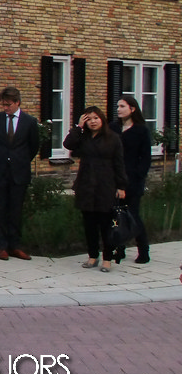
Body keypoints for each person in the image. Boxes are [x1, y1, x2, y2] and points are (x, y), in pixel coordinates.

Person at [63, 106, 127, 272]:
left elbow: (119, 163)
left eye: (95, 118)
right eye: (89, 119)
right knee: (89, 225)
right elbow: (68, 144)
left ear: (102, 119)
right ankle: (92, 256)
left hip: (106, 185)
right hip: (86, 185)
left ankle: (107, 258)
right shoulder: (83, 137)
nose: (93, 122)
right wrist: (78, 127)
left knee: (106, 225)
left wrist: (121, 186)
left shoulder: (113, 138)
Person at [0, 86, 38, 261]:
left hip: (19, 172)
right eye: (3, 105)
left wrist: (19, 160)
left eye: (8, 105)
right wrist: (2, 159)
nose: (5, 108)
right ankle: (1, 246)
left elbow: (33, 147)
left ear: (17, 103)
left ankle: (15, 245)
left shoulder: (29, 122)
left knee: (16, 210)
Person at [111, 96, 152, 263]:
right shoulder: (113, 128)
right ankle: (119, 249)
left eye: (122, 106)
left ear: (132, 109)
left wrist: (138, 175)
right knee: (116, 216)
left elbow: (146, 157)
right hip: (114, 180)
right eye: (118, 106)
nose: (118, 109)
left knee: (133, 215)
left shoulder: (141, 130)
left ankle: (143, 250)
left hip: (133, 180)